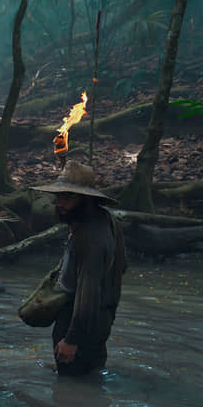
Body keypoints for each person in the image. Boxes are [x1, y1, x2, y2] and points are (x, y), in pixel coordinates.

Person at [31, 161, 125, 376]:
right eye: (58, 197)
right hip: (101, 318)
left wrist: (71, 340)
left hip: (79, 321)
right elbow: (122, 266)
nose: (60, 204)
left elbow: (88, 293)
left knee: (70, 383)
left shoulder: (89, 237)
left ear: (86, 200)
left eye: (68, 198)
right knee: (90, 374)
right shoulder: (108, 221)